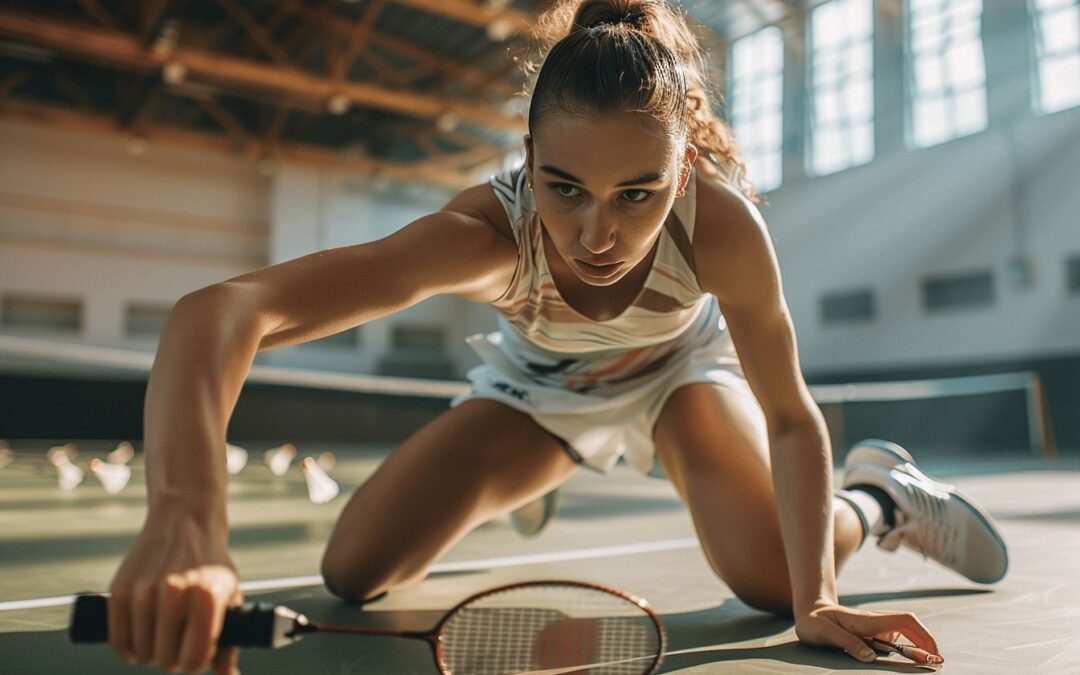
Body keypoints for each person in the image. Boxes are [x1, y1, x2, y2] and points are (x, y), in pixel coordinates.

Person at [105, 1, 1008, 673]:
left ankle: (883, 499)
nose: (597, 236)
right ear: (528, 159)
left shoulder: (722, 228)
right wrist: (185, 518)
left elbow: (790, 417)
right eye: (566, 187)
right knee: (354, 572)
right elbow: (218, 313)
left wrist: (817, 598)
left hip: (676, 382)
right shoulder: (488, 237)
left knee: (772, 582)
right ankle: (525, 476)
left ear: (683, 167)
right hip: (539, 395)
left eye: (637, 194)